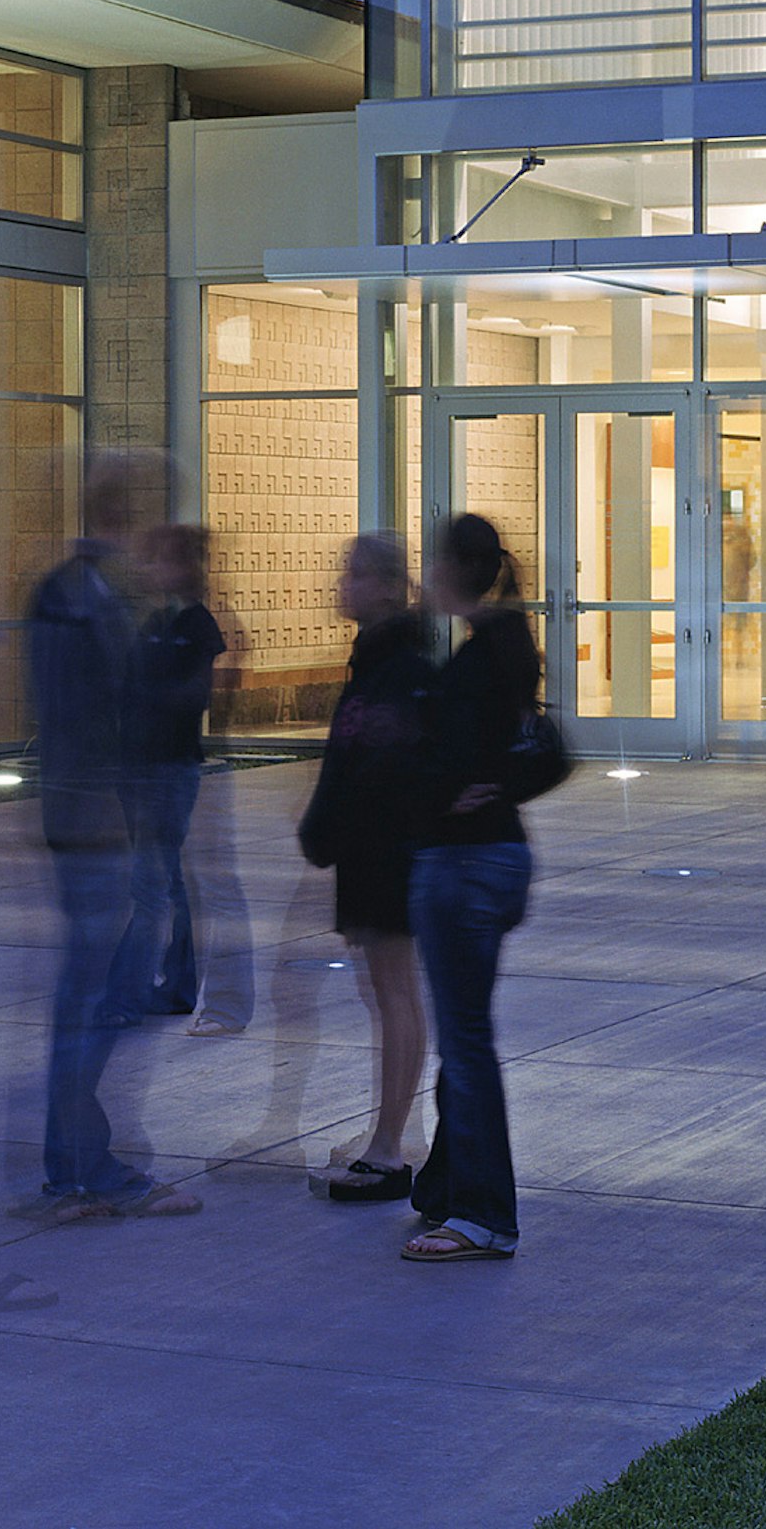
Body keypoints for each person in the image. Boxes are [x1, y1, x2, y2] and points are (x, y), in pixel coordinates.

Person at [11, 454, 201, 1224]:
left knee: (84, 1001)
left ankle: (78, 1167)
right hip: (93, 824)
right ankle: (83, 1170)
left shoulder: (61, 591)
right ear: (124, 518)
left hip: (77, 816)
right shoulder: (93, 600)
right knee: (89, 1005)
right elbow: (111, 713)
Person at [402, 513, 543, 1267]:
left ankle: (485, 1214)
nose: (424, 573)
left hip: (464, 867)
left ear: (456, 567)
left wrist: (454, 791)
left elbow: (452, 761)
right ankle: (449, 1185)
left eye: (432, 561)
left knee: (466, 1044)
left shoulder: (482, 656)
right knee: (463, 1038)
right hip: (495, 858)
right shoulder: (507, 641)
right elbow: (540, 751)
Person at [300, 534, 433, 1202]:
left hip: (385, 853)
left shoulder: (397, 665)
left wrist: (332, 826)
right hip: (376, 851)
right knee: (392, 991)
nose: (341, 583)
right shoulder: (381, 659)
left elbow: (376, 762)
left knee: (393, 992)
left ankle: (387, 1145)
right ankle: (389, 1135)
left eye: (353, 573)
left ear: (385, 586)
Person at [101, 527, 223, 1028]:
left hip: (169, 768)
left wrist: (148, 699)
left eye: (159, 562)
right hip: (142, 767)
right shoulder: (154, 621)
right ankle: (174, 986)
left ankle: (125, 995)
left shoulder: (196, 625)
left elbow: (195, 695)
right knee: (166, 882)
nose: (149, 570)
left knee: (152, 885)